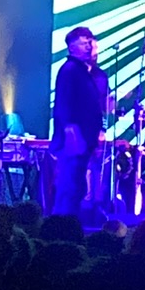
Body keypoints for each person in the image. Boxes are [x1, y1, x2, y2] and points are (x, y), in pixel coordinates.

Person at [51, 26, 110, 223]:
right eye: (84, 44)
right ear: (71, 47)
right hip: (73, 140)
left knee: (76, 186)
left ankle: (69, 225)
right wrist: (71, 131)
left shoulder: (85, 72)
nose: (88, 47)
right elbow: (63, 104)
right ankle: (62, 228)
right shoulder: (70, 70)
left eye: (90, 43)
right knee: (70, 186)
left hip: (85, 139)